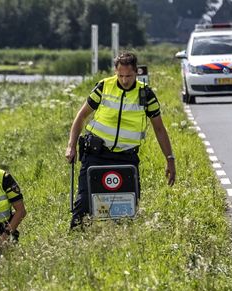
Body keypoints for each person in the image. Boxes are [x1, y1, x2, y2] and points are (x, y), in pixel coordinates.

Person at [64, 51, 177, 228]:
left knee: (128, 209)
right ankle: (76, 241)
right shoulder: (104, 86)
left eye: (129, 76)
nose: (124, 80)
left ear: (137, 72)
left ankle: (121, 244)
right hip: (96, 154)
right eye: (121, 75)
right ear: (115, 72)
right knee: (84, 204)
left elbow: (159, 129)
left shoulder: (146, 95)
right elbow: (81, 117)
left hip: (126, 158)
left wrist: (170, 159)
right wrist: (71, 146)